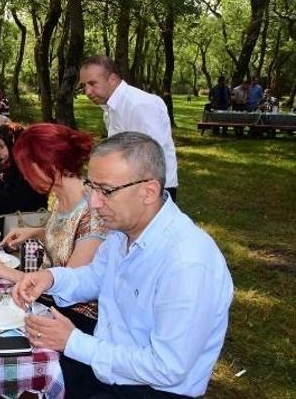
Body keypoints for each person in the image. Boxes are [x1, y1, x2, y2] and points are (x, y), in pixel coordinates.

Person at [13, 131, 233, 399]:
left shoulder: (187, 263)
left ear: (149, 192)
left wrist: (74, 342)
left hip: (152, 389)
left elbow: (167, 368)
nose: (93, 203)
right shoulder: (122, 232)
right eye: (91, 188)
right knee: (19, 369)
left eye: (105, 191)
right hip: (110, 362)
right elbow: (95, 277)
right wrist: (51, 278)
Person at [0, 123, 105, 334]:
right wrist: (36, 232)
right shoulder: (61, 196)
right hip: (48, 309)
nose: (25, 175)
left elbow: (66, 287)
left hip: (76, 324)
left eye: (27, 167)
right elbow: (66, 236)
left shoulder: (93, 210)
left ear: (49, 165)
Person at [79, 55, 179, 201]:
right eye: (84, 86)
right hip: (130, 187)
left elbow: (154, 156)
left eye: (92, 84)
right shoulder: (111, 107)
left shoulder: (139, 105)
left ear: (112, 79)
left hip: (152, 191)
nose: (87, 92)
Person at [0, 123, 48, 233]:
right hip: (0, 225)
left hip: (19, 229)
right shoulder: (7, 165)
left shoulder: (25, 173)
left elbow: (12, 205)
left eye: (1, 146)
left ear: (15, 147)